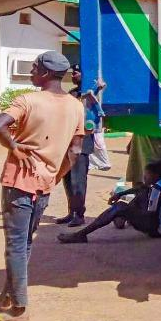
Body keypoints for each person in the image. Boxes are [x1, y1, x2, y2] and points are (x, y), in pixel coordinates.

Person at [0, 51, 85, 321]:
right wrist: (55, 175)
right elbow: (75, 151)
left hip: (19, 181)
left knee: (15, 245)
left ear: (44, 72)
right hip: (45, 183)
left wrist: (14, 146)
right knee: (25, 242)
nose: (31, 73)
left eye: (33, 68)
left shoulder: (27, 101)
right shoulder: (76, 106)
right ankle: (8, 295)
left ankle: (19, 308)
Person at [57, 160, 161, 243]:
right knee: (133, 200)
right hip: (160, 225)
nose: (144, 178)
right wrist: (121, 194)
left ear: (155, 176)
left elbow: (151, 215)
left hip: (156, 229)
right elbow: (141, 188)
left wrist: (131, 213)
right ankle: (119, 216)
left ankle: (81, 235)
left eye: (146, 176)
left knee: (121, 206)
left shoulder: (156, 190)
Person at [54, 65, 105, 227]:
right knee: (67, 179)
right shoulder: (72, 94)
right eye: (72, 72)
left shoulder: (94, 93)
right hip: (67, 142)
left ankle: (79, 214)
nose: (73, 75)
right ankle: (72, 212)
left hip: (82, 142)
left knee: (78, 180)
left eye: (76, 72)